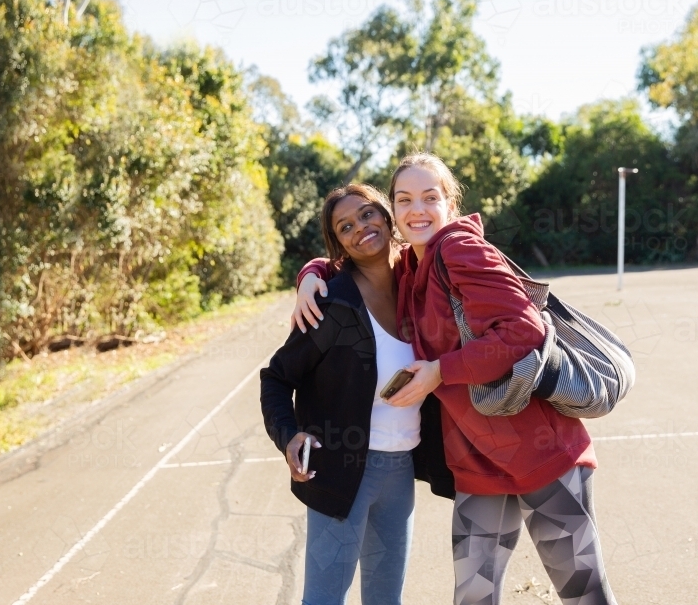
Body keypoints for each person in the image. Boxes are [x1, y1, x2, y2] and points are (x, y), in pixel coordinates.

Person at [294, 153, 618, 605]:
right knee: (474, 598)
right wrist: (310, 274)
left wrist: (441, 371)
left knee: (585, 594)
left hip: (540, 453)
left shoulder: (458, 249)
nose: (417, 209)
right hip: (476, 462)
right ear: (393, 212)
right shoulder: (409, 266)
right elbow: (354, 255)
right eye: (404, 200)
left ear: (450, 203)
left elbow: (522, 332)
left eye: (430, 197)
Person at [261, 183, 454, 605]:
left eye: (367, 214)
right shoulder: (332, 305)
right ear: (339, 245)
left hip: (400, 469)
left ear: (386, 216)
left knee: (386, 599)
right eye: (345, 226)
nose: (360, 228)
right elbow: (275, 377)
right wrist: (287, 435)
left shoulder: (418, 283)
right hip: (338, 469)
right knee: (324, 599)